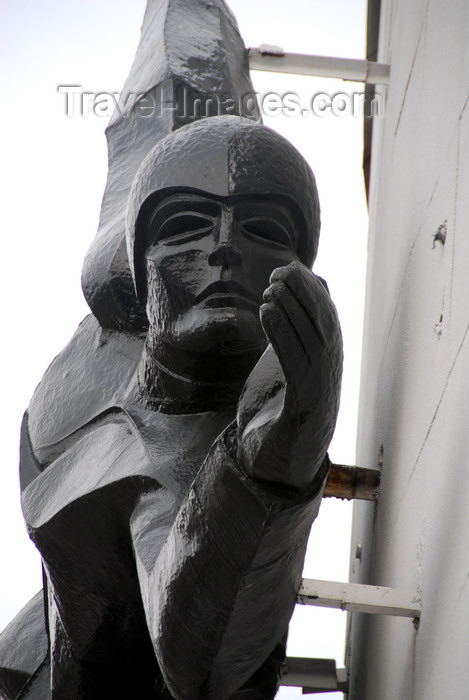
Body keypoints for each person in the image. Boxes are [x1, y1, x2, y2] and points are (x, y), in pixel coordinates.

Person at [0, 116, 343, 700]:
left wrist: (279, 454)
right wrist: (274, 467)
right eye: (186, 225)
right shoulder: (98, 408)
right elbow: (194, 657)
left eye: (264, 227)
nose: (225, 247)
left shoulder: (215, 442)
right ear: (140, 265)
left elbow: (200, 659)